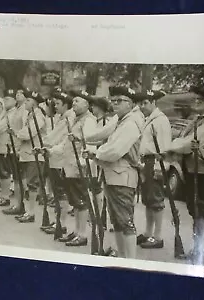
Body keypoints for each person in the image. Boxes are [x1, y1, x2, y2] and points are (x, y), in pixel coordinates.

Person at [83, 85, 142, 258]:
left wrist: (95, 153)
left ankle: (130, 260)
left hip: (123, 176)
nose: (115, 104)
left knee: (125, 221)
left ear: (130, 104)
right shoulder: (121, 119)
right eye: (113, 100)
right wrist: (89, 143)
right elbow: (101, 136)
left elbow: (116, 150)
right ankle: (122, 255)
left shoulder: (131, 123)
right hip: (115, 175)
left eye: (120, 101)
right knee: (116, 220)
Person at [168, 85, 204, 265]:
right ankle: (197, 248)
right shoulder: (197, 119)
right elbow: (183, 140)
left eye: (200, 99)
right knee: (194, 210)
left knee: (200, 212)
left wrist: (174, 145)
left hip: (202, 172)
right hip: (191, 169)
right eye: (195, 99)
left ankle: (201, 251)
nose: (195, 102)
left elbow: (187, 144)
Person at [47, 90, 98, 247]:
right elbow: (66, 143)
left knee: (81, 201)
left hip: (79, 166)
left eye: (77, 101)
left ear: (86, 104)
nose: (73, 104)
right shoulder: (76, 119)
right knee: (75, 202)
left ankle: (82, 234)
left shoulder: (88, 121)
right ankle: (76, 231)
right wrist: (52, 150)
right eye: (73, 101)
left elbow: (89, 142)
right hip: (69, 165)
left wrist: (83, 162)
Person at [137, 89, 172, 249]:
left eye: (145, 103)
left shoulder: (160, 120)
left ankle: (157, 237)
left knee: (156, 201)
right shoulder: (149, 119)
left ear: (153, 103)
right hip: (146, 162)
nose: (142, 106)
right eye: (140, 103)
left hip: (155, 163)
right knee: (148, 200)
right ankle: (148, 233)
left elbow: (164, 148)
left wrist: (160, 168)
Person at [39, 89, 76, 235]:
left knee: (61, 193)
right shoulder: (62, 118)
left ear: (66, 105)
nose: (55, 106)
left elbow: (53, 138)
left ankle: (62, 223)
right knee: (57, 193)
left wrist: (45, 143)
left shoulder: (67, 119)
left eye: (58, 103)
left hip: (60, 159)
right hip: (55, 157)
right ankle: (58, 221)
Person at [9, 89, 47, 223]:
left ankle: (31, 212)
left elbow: (28, 133)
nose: (26, 102)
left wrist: (16, 132)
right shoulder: (31, 116)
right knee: (27, 183)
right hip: (26, 154)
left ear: (35, 104)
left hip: (34, 155)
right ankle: (27, 210)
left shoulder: (39, 117)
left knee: (32, 185)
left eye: (29, 100)